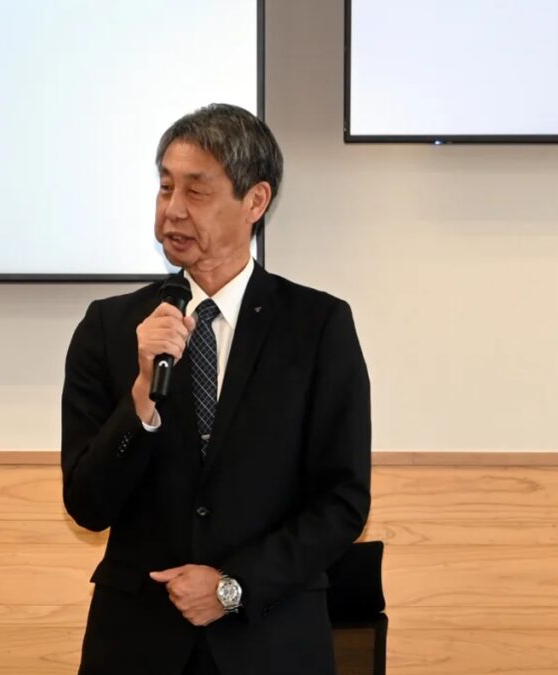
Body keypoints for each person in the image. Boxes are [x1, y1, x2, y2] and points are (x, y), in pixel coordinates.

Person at [62, 103, 371, 675]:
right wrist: (140, 398)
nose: (173, 210)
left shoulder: (317, 326)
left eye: (196, 191)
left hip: (270, 641)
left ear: (256, 200)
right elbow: (87, 505)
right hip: (136, 645)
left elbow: (342, 501)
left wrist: (234, 587)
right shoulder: (109, 327)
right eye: (165, 188)